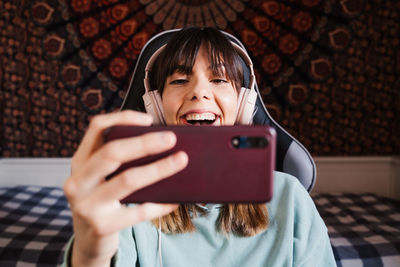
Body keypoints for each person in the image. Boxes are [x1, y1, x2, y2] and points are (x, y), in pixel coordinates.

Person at [62, 27, 336, 267]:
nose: (198, 92)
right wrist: (89, 255)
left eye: (218, 80)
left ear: (244, 106)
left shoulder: (291, 197)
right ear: (155, 107)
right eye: (179, 80)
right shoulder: (127, 200)